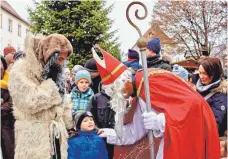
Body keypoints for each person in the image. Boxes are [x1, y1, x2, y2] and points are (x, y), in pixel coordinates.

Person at [91, 46, 220, 159]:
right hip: (165, 148)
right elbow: (134, 132)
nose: (117, 96)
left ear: (124, 81)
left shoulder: (152, 80)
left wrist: (162, 120)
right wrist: (108, 133)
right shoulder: (138, 93)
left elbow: (194, 105)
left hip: (185, 141)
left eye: (115, 91)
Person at [8, 34, 74, 159]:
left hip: (56, 137)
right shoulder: (21, 70)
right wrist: (51, 86)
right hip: (33, 139)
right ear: (49, 56)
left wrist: (69, 123)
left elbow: (62, 102)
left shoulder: (54, 73)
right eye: (59, 59)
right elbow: (29, 102)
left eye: (64, 59)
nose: (62, 64)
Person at [196, 57, 227, 137]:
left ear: (214, 74)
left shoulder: (221, 95)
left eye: (205, 73)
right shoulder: (197, 89)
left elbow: (214, 125)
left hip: (208, 139)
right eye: (200, 73)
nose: (201, 76)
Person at [88, 87, 115, 159]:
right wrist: (97, 131)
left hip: (117, 139)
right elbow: (90, 117)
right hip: (100, 138)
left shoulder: (123, 97)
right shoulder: (96, 98)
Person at [1, 56, 15, 159]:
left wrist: (1, 108)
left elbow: (12, 102)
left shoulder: (10, 81)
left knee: (8, 151)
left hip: (6, 123)